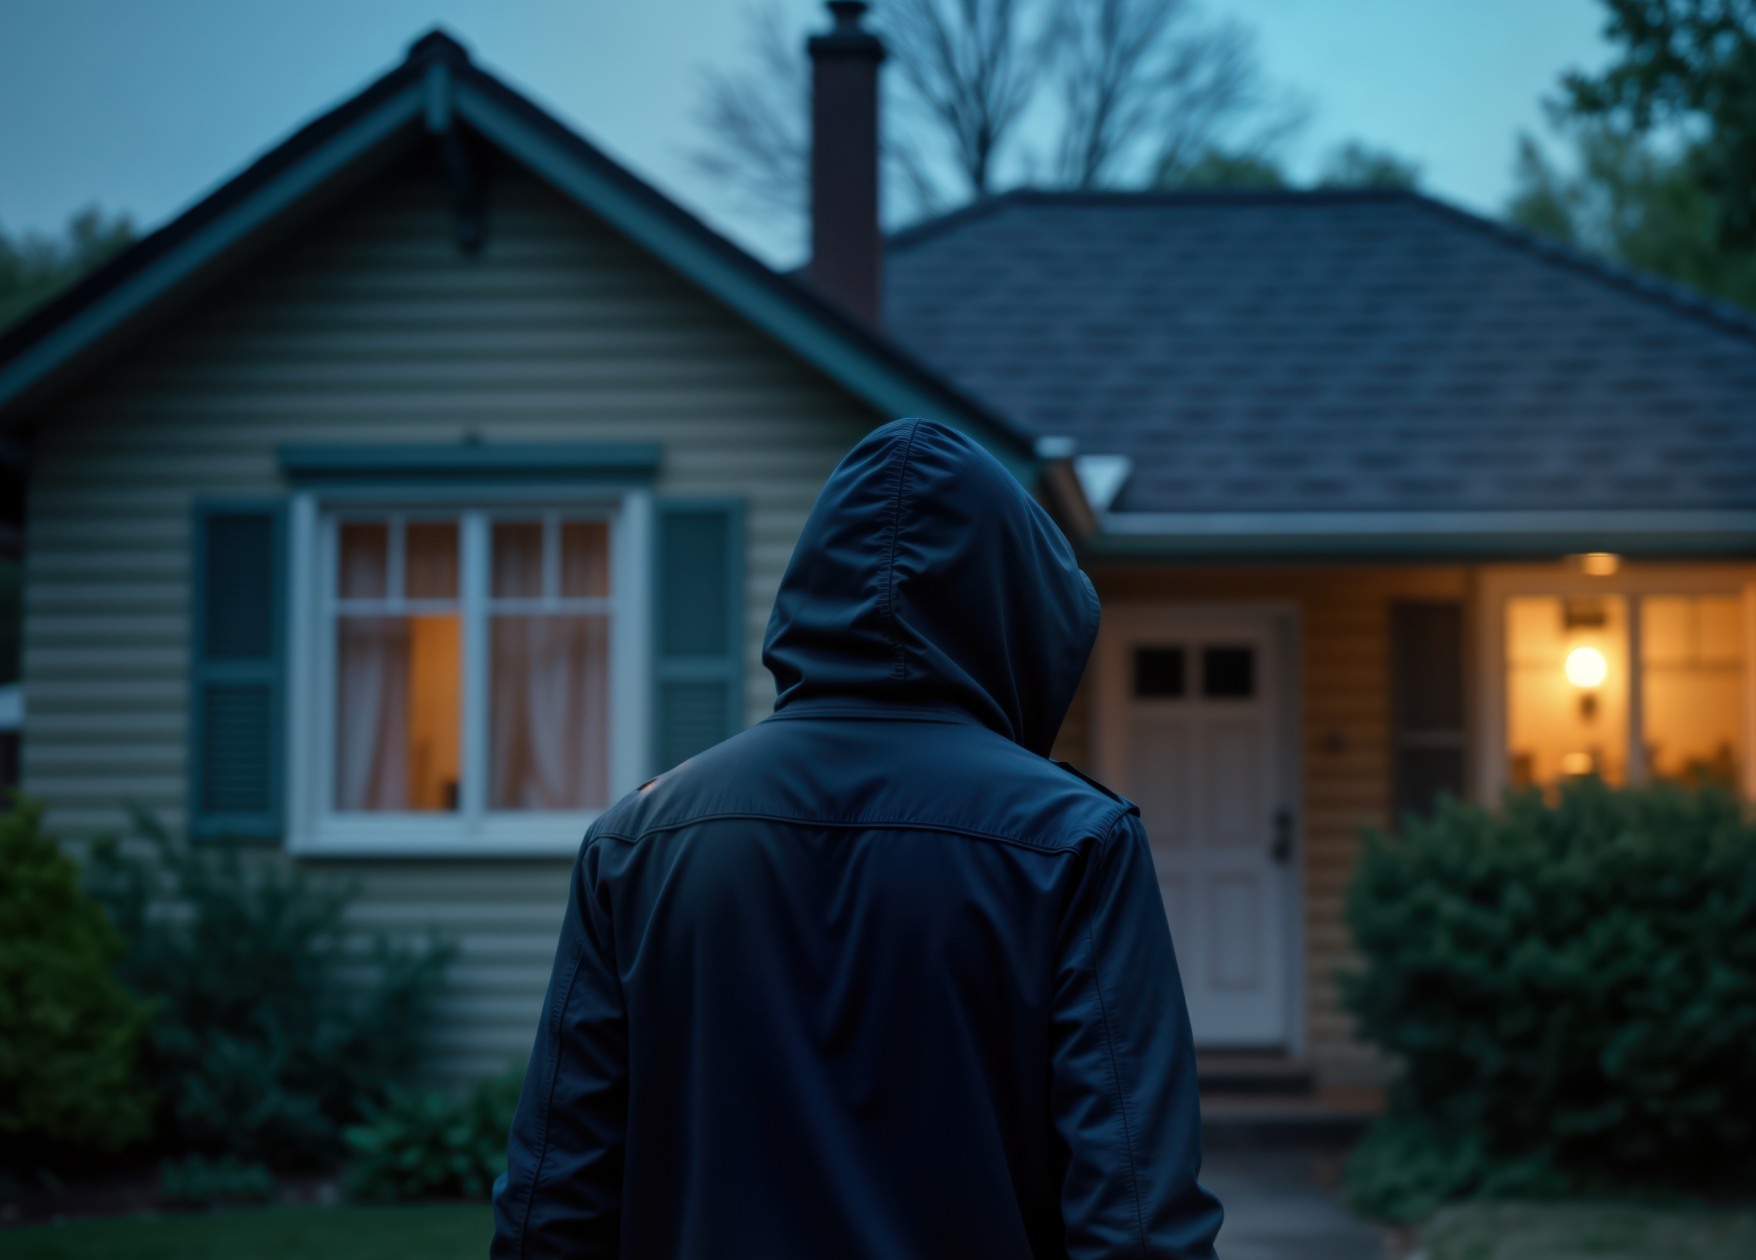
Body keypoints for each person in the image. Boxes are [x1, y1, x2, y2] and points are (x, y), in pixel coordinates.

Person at [490, 418, 1223, 1258]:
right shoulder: (1074, 840)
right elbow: (1134, 1219)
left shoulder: (638, 841)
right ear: (1016, 609)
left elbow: (552, 1200)